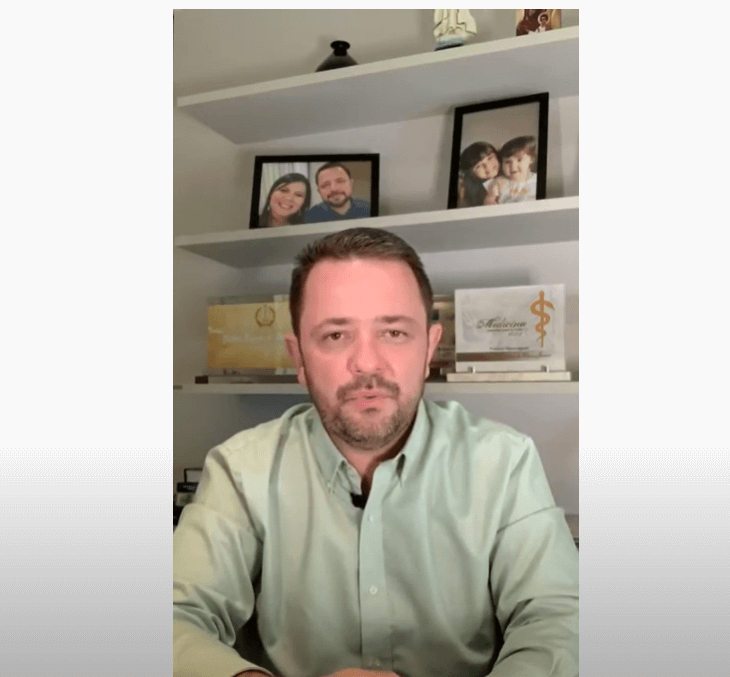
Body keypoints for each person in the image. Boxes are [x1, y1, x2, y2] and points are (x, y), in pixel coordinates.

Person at [173, 227, 579, 677]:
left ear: (429, 347)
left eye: (394, 332)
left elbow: (560, 621)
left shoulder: (504, 462)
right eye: (335, 335)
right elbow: (175, 617)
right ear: (298, 358)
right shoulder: (240, 469)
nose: (367, 363)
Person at [302, 163, 371, 223]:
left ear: (351, 184)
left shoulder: (369, 208)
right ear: (319, 192)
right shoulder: (310, 217)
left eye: (340, 181)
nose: (334, 189)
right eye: (325, 185)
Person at [486, 135, 539, 205]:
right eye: (507, 162)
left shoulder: (536, 179)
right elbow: (489, 200)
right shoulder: (498, 182)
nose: (513, 166)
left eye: (519, 160)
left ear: (531, 160)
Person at [457, 141, 500, 207]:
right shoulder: (476, 191)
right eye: (478, 166)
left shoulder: (510, 174)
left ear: (497, 156)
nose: (487, 166)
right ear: (471, 173)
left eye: (489, 158)